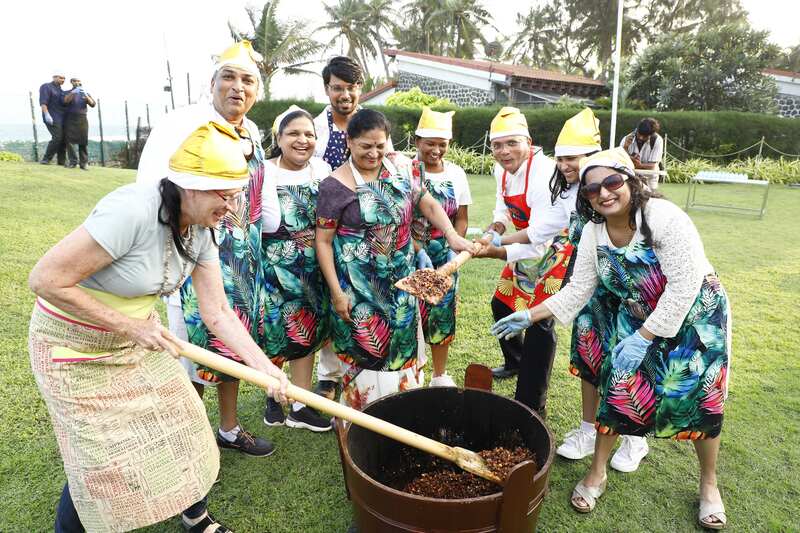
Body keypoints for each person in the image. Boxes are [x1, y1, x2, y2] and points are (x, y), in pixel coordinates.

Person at [28, 121, 289, 533]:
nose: (233, 205)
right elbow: (45, 279)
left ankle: (196, 517)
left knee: (186, 428)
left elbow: (217, 311)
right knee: (101, 460)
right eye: (224, 193)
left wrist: (264, 367)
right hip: (73, 348)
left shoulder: (204, 229)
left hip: (136, 342)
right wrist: (128, 328)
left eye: (237, 192)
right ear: (189, 185)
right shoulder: (131, 210)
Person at [492, 147, 730, 529]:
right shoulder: (593, 231)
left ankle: (708, 484)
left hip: (695, 315)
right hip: (637, 313)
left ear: (630, 181)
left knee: (698, 399)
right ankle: (597, 472)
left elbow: (685, 286)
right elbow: (578, 289)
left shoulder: (664, 217)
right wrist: (530, 314)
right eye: (592, 190)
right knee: (618, 387)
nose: (603, 193)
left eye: (612, 182)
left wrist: (646, 336)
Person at [137, 40, 281, 457]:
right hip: (191, 257)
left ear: (257, 90)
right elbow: (150, 191)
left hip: (245, 261)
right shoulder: (183, 125)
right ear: (212, 83)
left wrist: (268, 228)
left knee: (233, 349)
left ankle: (230, 430)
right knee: (195, 354)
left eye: (248, 80)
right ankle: (184, 444)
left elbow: (260, 196)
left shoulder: (252, 131)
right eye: (230, 78)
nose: (238, 88)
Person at [315, 109, 477, 410]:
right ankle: (363, 425)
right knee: (366, 355)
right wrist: (337, 293)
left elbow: (426, 203)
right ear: (349, 142)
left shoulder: (399, 174)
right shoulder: (334, 186)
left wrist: (453, 236)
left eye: (380, 145)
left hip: (402, 287)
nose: (374, 153)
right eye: (366, 146)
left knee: (403, 353)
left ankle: (403, 416)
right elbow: (323, 243)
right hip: (359, 291)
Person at [311, 56, 393, 401]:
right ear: (327, 89)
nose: (345, 94)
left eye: (352, 87)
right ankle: (328, 373)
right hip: (324, 217)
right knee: (330, 298)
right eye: (337, 88)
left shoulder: (370, 126)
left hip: (362, 227)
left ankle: (358, 373)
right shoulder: (316, 127)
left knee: (354, 301)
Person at [260, 106, 334, 431]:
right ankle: (274, 397)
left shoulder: (322, 168)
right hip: (276, 271)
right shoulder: (263, 172)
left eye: (309, 134)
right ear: (278, 138)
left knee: (307, 336)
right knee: (275, 337)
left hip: (314, 270)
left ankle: (301, 405)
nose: (302, 140)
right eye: (293, 133)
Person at [479, 107, 557, 405]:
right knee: (502, 303)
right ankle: (516, 362)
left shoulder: (544, 173)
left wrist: (495, 248)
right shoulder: (502, 170)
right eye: (497, 145)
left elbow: (538, 236)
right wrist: (491, 232)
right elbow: (502, 212)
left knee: (540, 320)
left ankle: (532, 402)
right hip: (524, 240)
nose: (504, 151)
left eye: (512, 143)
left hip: (554, 248)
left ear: (529, 141)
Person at [411, 107, 472, 387]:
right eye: (430, 143)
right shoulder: (405, 170)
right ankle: (412, 371)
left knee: (442, 313)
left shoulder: (457, 174)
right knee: (413, 314)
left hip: (446, 257)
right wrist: (417, 249)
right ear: (417, 141)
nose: (436, 150)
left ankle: (439, 374)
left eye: (442, 144)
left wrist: (454, 248)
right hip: (411, 253)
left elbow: (461, 217)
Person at [39, 72, 75, 166]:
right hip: (51, 117)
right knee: (57, 137)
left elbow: (65, 99)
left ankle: (61, 161)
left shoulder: (60, 90)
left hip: (61, 117)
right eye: (60, 78)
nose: (62, 80)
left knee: (63, 139)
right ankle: (46, 159)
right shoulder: (46, 87)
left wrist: (74, 90)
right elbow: (43, 102)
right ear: (54, 77)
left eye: (64, 79)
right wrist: (46, 114)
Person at [620, 118, 664, 190]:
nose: (641, 137)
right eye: (639, 134)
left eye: (645, 136)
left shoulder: (657, 140)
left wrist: (639, 165)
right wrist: (625, 147)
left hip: (650, 178)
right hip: (632, 177)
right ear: (637, 130)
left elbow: (652, 165)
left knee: (649, 198)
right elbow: (621, 159)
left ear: (651, 134)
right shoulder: (627, 139)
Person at [63, 78, 96, 170]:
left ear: (80, 82)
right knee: (70, 141)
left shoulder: (85, 92)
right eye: (74, 81)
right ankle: (73, 162)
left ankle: (84, 163)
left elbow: (93, 104)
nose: (76, 83)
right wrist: (74, 92)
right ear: (71, 82)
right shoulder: (67, 92)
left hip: (82, 118)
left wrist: (86, 95)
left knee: (83, 141)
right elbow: (65, 101)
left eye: (78, 81)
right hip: (70, 118)